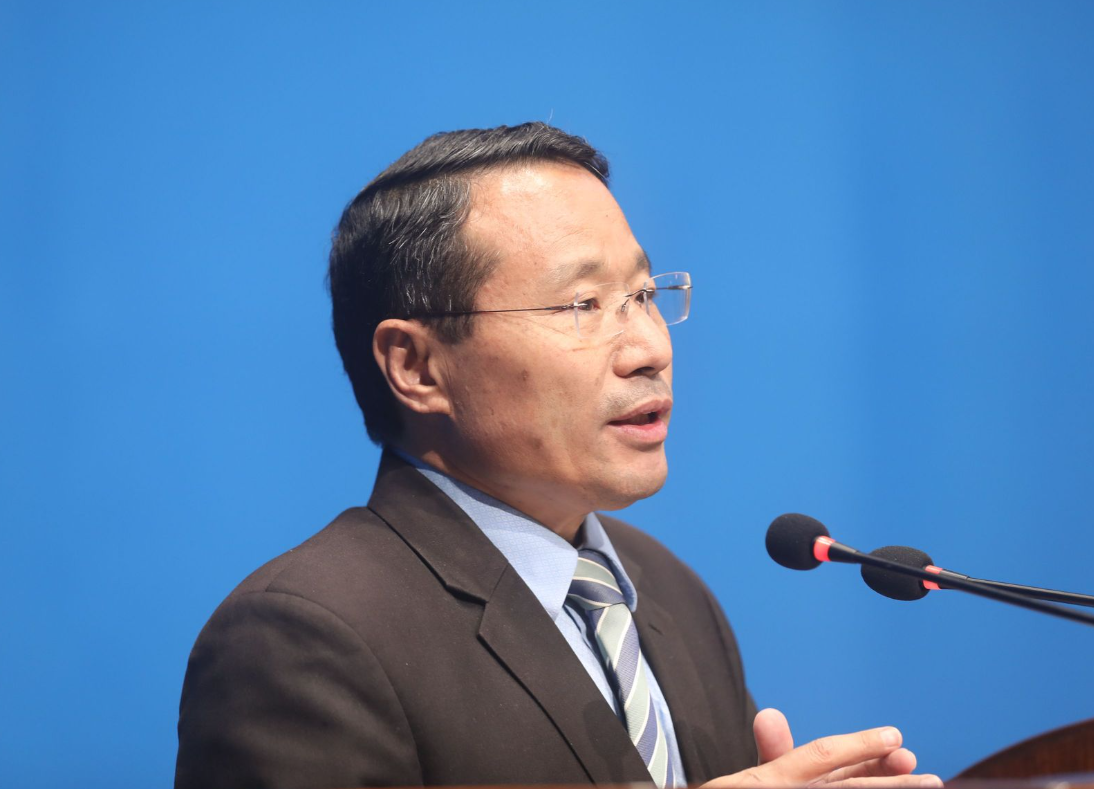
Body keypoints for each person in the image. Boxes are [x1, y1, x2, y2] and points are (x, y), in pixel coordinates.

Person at [175, 123, 941, 789]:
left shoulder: (670, 593)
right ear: (415, 366)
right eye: (581, 305)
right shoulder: (304, 638)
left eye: (644, 294)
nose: (649, 348)